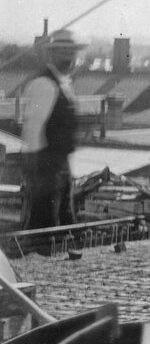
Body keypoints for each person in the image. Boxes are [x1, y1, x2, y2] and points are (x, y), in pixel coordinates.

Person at [21, 28, 85, 230]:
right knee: (44, 219)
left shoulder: (64, 83)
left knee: (63, 217)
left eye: (71, 52)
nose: (68, 57)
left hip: (59, 162)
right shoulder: (44, 83)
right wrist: (37, 169)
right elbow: (33, 128)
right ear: (52, 53)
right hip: (46, 164)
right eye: (63, 51)